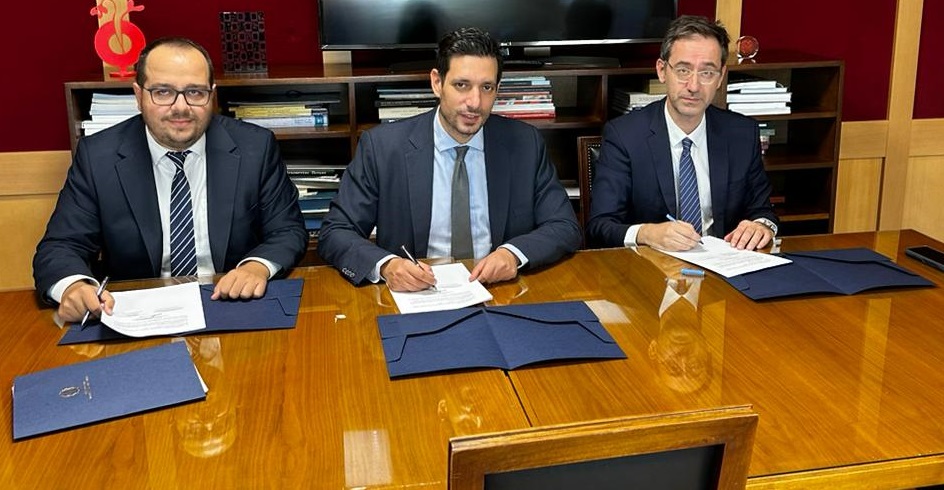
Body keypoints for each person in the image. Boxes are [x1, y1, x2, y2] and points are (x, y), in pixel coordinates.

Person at [33, 37, 307, 323]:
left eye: (195, 92)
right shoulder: (98, 157)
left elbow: (288, 230)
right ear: (138, 95)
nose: (180, 107)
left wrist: (256, 267)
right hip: (136, 314)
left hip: (232, 305)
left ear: (212, 96)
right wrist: (73, 286)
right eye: (163, 92)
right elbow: (61, 246)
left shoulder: (255, 148)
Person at [318, 27, 581, 291]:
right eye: (461, 85)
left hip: (500, 290)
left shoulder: (525, 143)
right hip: (417, 294)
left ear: (497, 89)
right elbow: (336, 231)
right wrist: (387, 265)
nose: (475, 102)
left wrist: (512, 254)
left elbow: (564, 225)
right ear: (437, 83)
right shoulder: (383, 148)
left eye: (486, 87)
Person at [587, 15, 779, 252]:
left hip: (724, 264)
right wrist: (647, 233)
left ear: (720, 76)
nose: (693, 86)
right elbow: (600, 225)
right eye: (683, 70)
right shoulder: (625, 135)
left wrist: (761, 226)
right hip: (652, 265)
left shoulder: (742, 133)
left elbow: (763, 211)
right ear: (662, 71)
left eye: (707, 73)